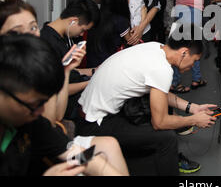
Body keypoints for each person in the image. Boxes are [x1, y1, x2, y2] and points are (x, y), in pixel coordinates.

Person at [75, 24, 217, 175]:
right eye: (195, 60)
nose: (194, 65)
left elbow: (159, 91)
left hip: (86, 111)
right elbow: (160, 122)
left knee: (158, 110)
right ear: (184, 53)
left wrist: (192, 107)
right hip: (94, 124)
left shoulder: (156, 47)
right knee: (167, 138)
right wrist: (194, 120)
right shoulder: (161, 69)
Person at [0, 34, 128, 176]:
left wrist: (99, 167)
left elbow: (76, 154)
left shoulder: (32, 122)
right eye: (34, 104)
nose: (41, 111)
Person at [40, 0, 100, 120]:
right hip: (69, 105)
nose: (82, 34)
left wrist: (94, 71)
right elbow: (60, 89)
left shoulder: (61, 37)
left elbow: (69, 71)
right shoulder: (49, 44)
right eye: (83, 30)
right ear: (73, 21)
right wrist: (91, 82)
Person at [86, 0, 131, 67]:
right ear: (122, 2)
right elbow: (130, 41)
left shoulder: (95, 16)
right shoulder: (121, 21)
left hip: (91, 65)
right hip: (109, 66)